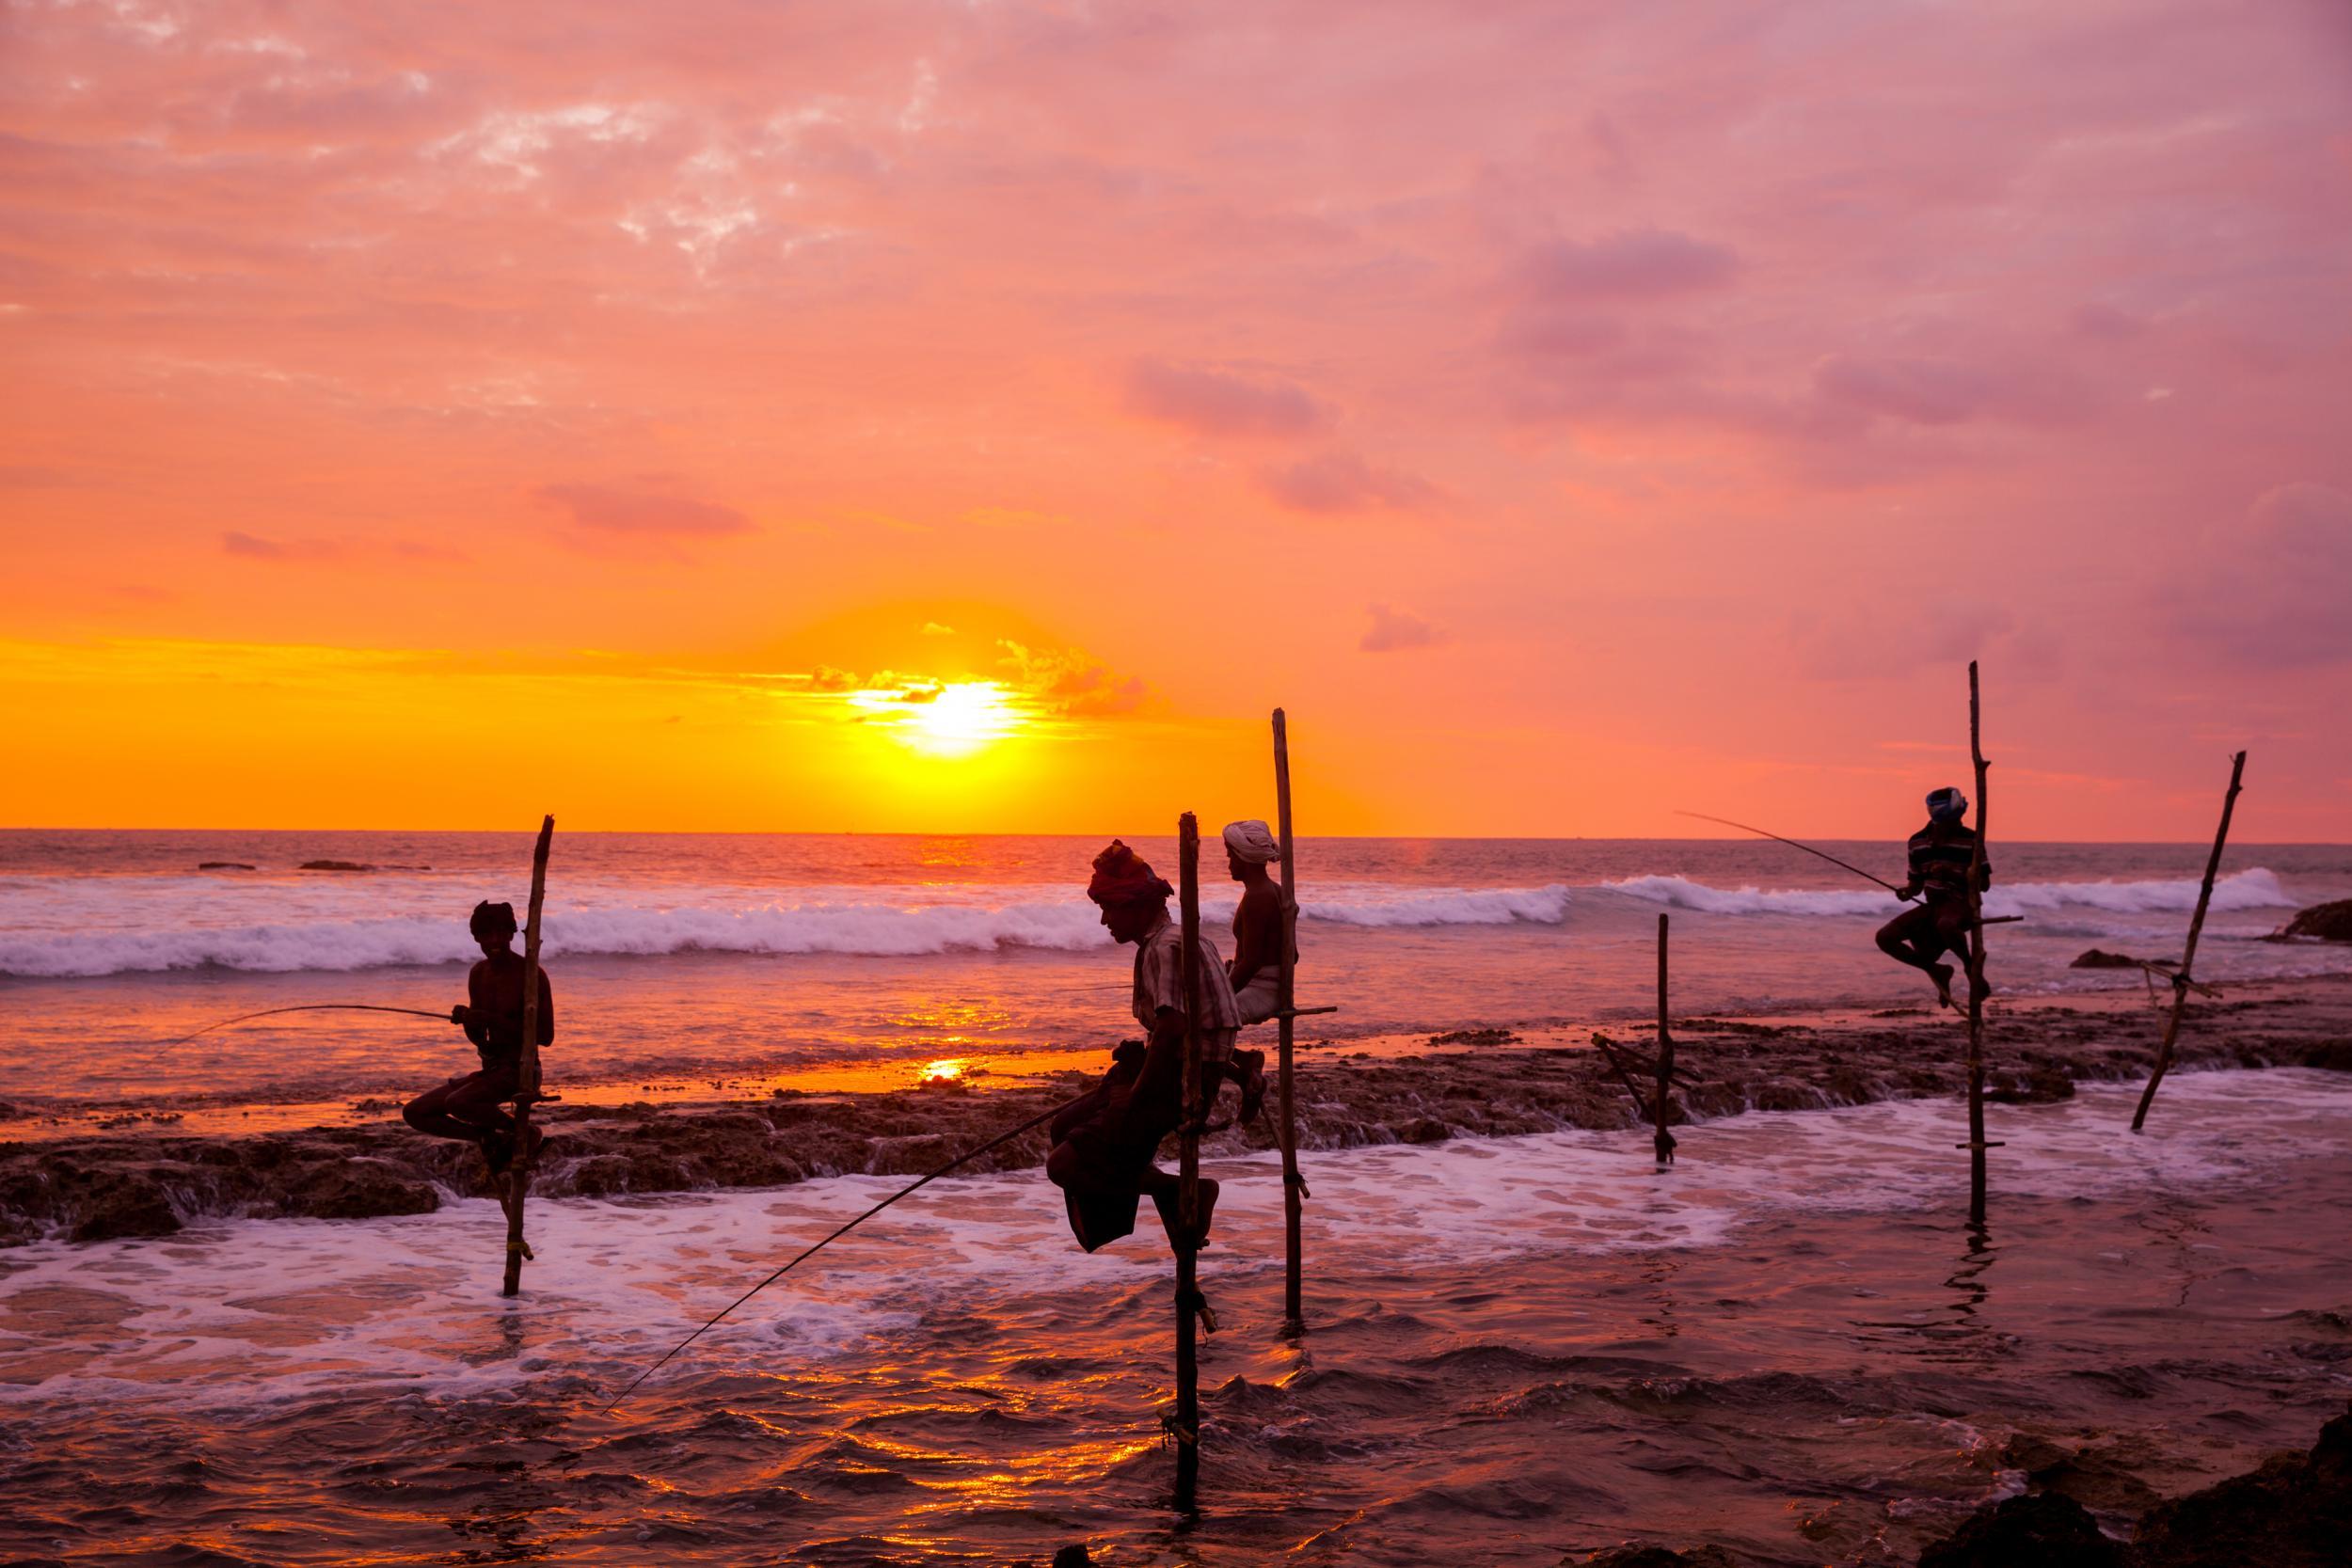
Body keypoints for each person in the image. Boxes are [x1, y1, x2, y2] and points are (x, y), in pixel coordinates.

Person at [1046, 839, 1258, 1256]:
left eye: (1110, 908)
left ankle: (1179, 1189)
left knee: (1064, 1165)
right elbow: (1181, 1025)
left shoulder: (1165, 947)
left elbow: (1174, 1028)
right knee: (1061, 1127)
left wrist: (1137, 1093)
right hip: (1174, 1068)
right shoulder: (1176, 939)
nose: (1105, 919)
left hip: (1180, 1083)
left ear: (1135, 905)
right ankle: (1154, 1190)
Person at [402, 900, 553, 1175]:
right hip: (491, 1070)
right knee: (415, 1112)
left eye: (500, 933)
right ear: (476, 938)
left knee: (458, 1103)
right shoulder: (478, 973)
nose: (494, 941)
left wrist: (491, 1019)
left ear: (511, 933)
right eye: (486, 935)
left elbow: (545, 1036)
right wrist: (468, 1021)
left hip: (521, 1070)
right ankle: (487, 1137)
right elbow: (481, 1040)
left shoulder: (531, 974)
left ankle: (526, 1133)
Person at [1875, 786, 1993, 1010]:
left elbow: (1984, 885)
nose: (1954, 825)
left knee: (1946, 925)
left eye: (1956, 819)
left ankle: (1970, 968)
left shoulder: (1972, 840)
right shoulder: (1917, 842)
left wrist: (1953, 874)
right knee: (1884, 937)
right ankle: (1936, 969)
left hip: (1961, 904)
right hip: (1933, 906)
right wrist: (1907, 892)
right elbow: (1916, 886)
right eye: (1949, 820)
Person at [1221, 818, 1295, 1028]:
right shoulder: (1275, 890)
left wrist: (1221, 995)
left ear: (1243, 856)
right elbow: (1293, 955)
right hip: (1263, 984)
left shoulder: (1257, 897)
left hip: (1263, 991)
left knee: (1204, 1016)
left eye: (1230, 854)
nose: (1228, 862)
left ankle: (1228, 1060)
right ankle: (1239, 1058)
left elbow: (1252, 962)